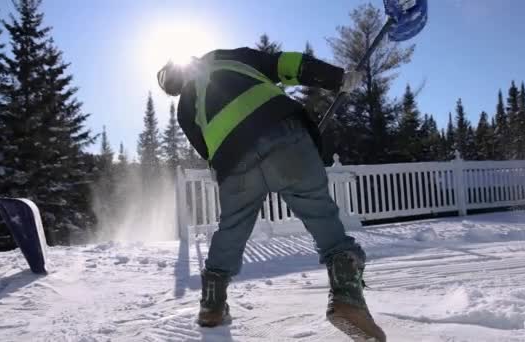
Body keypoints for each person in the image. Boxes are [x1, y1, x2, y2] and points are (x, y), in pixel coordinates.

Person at [157, 47, 386, 341]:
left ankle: (212, 305)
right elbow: (283, 64)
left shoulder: (185, 108)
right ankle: (347, 297)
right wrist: (337, 78)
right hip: (282, 131)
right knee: (319, 212)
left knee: (231, 229)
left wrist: (230, 165)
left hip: (233, 160)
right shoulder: (223, 57)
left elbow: (205, 148)